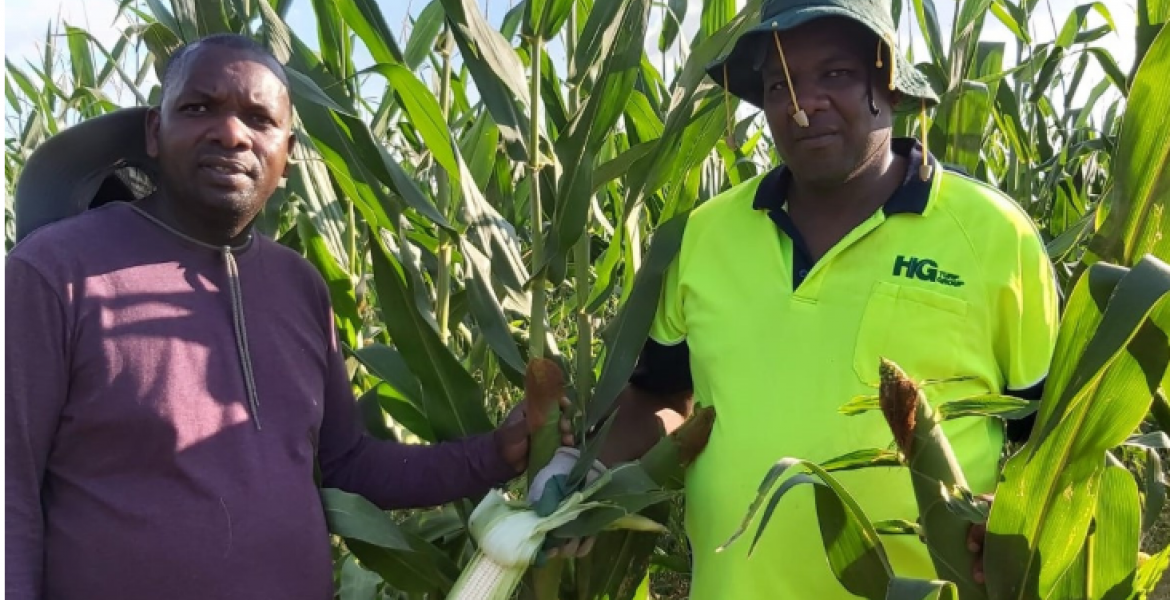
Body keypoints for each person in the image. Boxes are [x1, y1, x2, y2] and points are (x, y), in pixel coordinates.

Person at [534, 0, 1061, 598]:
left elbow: (1048, 436)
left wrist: (1014, 514)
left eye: (834, 74)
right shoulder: (704, 236)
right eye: (781, 83)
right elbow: (661, 395)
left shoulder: (995, 236)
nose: (802, 104)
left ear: (887, 87)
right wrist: (588, 473)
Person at [6, 34, 543, 600]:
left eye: (259, 120)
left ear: (287, 153)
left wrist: (493, 455)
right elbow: (8, 485)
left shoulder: (301, 288)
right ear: (153, 132)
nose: (231, 133)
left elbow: (348, 464)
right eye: (198, 108)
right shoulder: (55, 270)